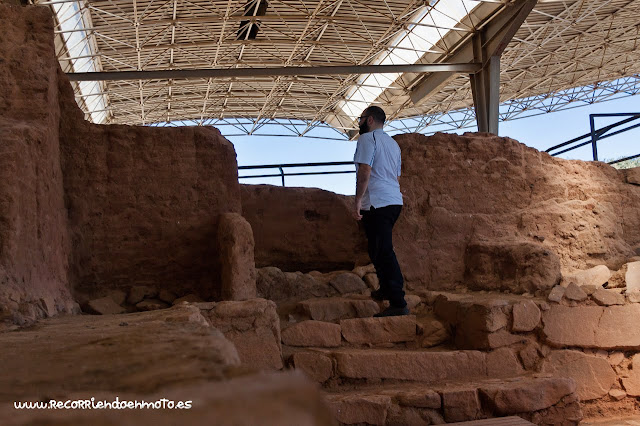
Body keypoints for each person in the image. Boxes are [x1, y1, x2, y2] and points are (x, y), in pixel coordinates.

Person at [353, 105, 408, 317]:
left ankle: (398, 302)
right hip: (393, 201)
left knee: (383, 251)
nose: (359, 123)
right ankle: (386, 288)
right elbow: (396, 176)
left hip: (377, 202)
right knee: (376, 249)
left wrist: (358, 200)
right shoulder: (393, 144)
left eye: (361, 119)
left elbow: (365, 170)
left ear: (369, 120)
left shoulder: (367, 140)